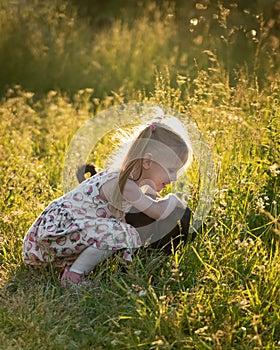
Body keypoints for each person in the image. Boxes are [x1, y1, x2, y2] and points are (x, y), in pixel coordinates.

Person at [22, 116, 193, 287]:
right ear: (147, 161)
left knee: (117, 231)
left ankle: (69, 265)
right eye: (171, 170)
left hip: (51, 236)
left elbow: (148, 198)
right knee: (124, 233)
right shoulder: (125, 185)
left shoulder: (126, 178)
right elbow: (157, 211)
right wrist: (172, 200)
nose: (174, 178)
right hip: (53, 235)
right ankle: (73, 277)